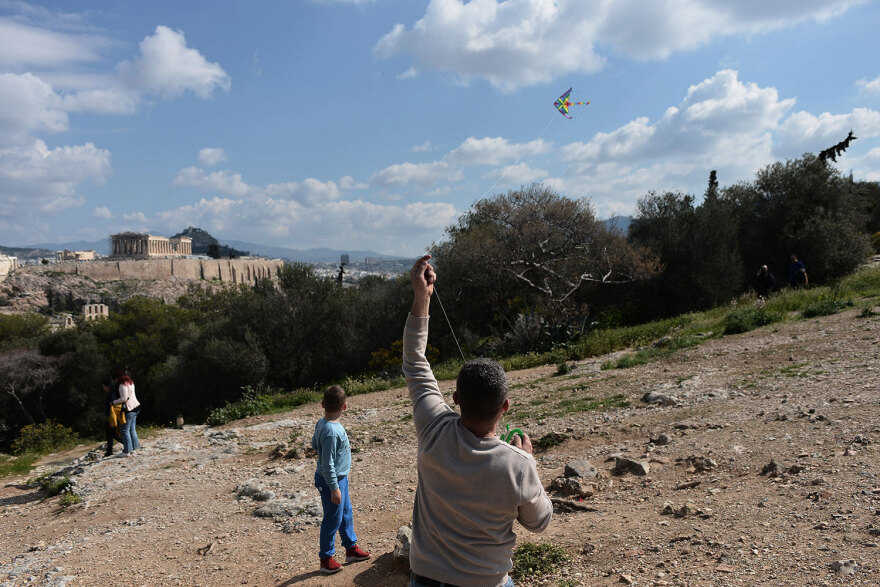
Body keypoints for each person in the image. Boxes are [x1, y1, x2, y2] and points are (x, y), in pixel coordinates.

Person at [403, 255, 553, 587]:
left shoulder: (433, 428)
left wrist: (421, 297)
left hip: (425, 578)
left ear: (455, 399)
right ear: (506, 407)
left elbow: (414, 360)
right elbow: (540, 521)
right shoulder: (518, 465)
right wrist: (529, 460)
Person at [311, 385, 371, 574]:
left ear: (322, 404)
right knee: (332, 518)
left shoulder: (322, 423)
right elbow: (327, 464)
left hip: (339, 479)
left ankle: (350, 549)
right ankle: (326, 559)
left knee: (345, 513)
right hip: (331, 482)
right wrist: (334, 487)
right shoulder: (331, 431)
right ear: (345, 407)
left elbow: (314, 444)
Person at [113, 372, 140, 456]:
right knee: (132, 429)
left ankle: (127, 451)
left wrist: (113, 402)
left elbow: (124, 398)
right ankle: (135, 448)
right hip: (136, 407)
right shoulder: (131, 383)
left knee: (124, 430)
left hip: (129, 409)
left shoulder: (122, 385)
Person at [103, 378, 124, 457]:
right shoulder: (115, 392)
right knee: (109, 434)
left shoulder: (112, 394)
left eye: (104, 386)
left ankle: (128, 444)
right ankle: (109, 451)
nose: (104, 388)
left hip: (113, 417)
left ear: (107, 386)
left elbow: (113, 406)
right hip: (112, 416)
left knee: (114, 434)